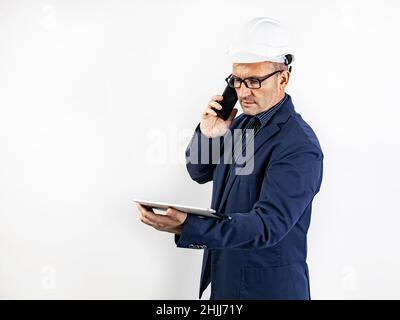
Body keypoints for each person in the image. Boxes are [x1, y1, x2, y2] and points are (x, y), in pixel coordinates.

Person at [137, 17, 324, 300]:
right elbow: (198, 172)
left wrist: (189, 226)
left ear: (283, 78)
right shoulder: (240, 125)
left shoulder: (299, 146)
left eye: (255, 81)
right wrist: (208, 134)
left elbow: (266, 225)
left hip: (269, 291)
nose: (243, 92)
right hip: (226, 282)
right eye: (237, 80)